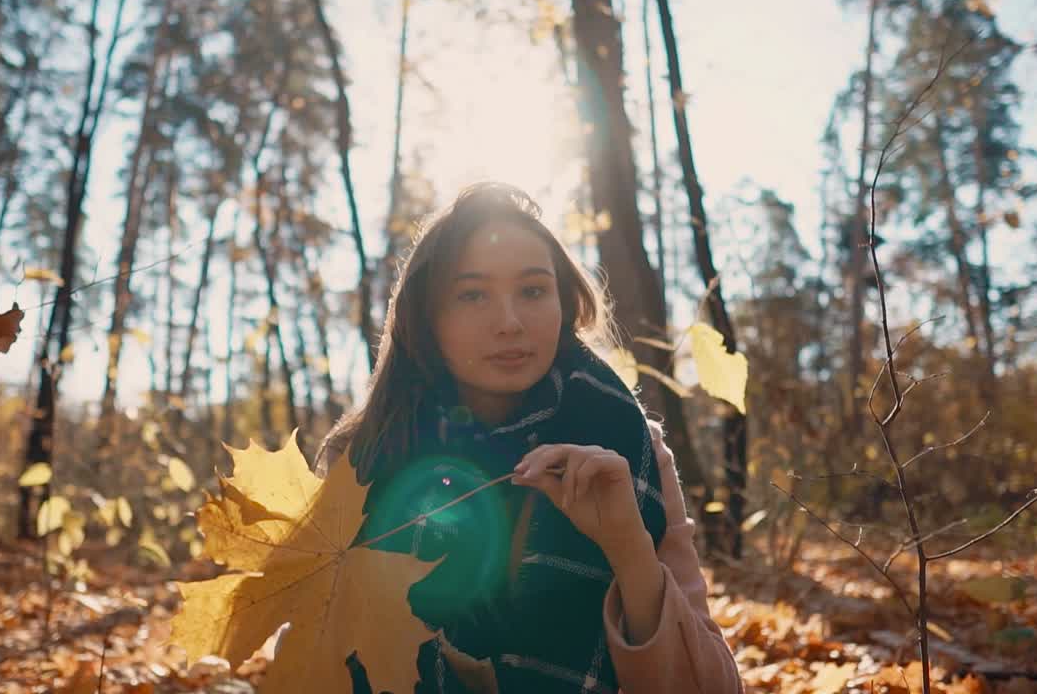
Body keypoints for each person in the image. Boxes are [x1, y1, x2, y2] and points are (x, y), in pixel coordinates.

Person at [316, 182, 742, 694]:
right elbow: (313, 665)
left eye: (534, 290)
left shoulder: (628, 449)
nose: (510, 323)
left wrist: (629, 549)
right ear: (427, 319)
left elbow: (711, 688)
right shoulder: (363, 457)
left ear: (564, 303)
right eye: (472, 294)